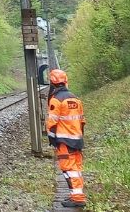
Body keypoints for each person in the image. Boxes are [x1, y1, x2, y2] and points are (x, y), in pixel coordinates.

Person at [46, 69, 86, 208]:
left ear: (52, 83)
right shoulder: (75, 99)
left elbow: (52, 123)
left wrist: (52, 139)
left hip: (64, 140)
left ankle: (77, 198)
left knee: (68, 169)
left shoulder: (56, 100)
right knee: (76, 169)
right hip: (77, 140)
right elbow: (82, 121)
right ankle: (77, 195)